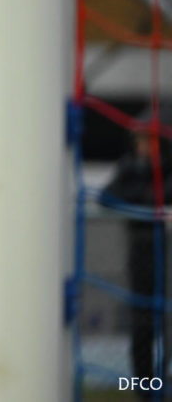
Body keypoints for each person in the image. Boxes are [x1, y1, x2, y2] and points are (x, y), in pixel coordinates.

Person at [99, 123, 172, 399]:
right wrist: (144, 202)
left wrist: (144, 200)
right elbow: (108, 196)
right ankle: (144, 386)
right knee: (143, 322)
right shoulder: (130, 167)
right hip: (142, 253)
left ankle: (161, 383)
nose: (144, 147)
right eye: (140, 141)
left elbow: (160, 195)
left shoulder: (166, 166)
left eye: (149, 141)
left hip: (164, 249)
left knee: (163, 322)